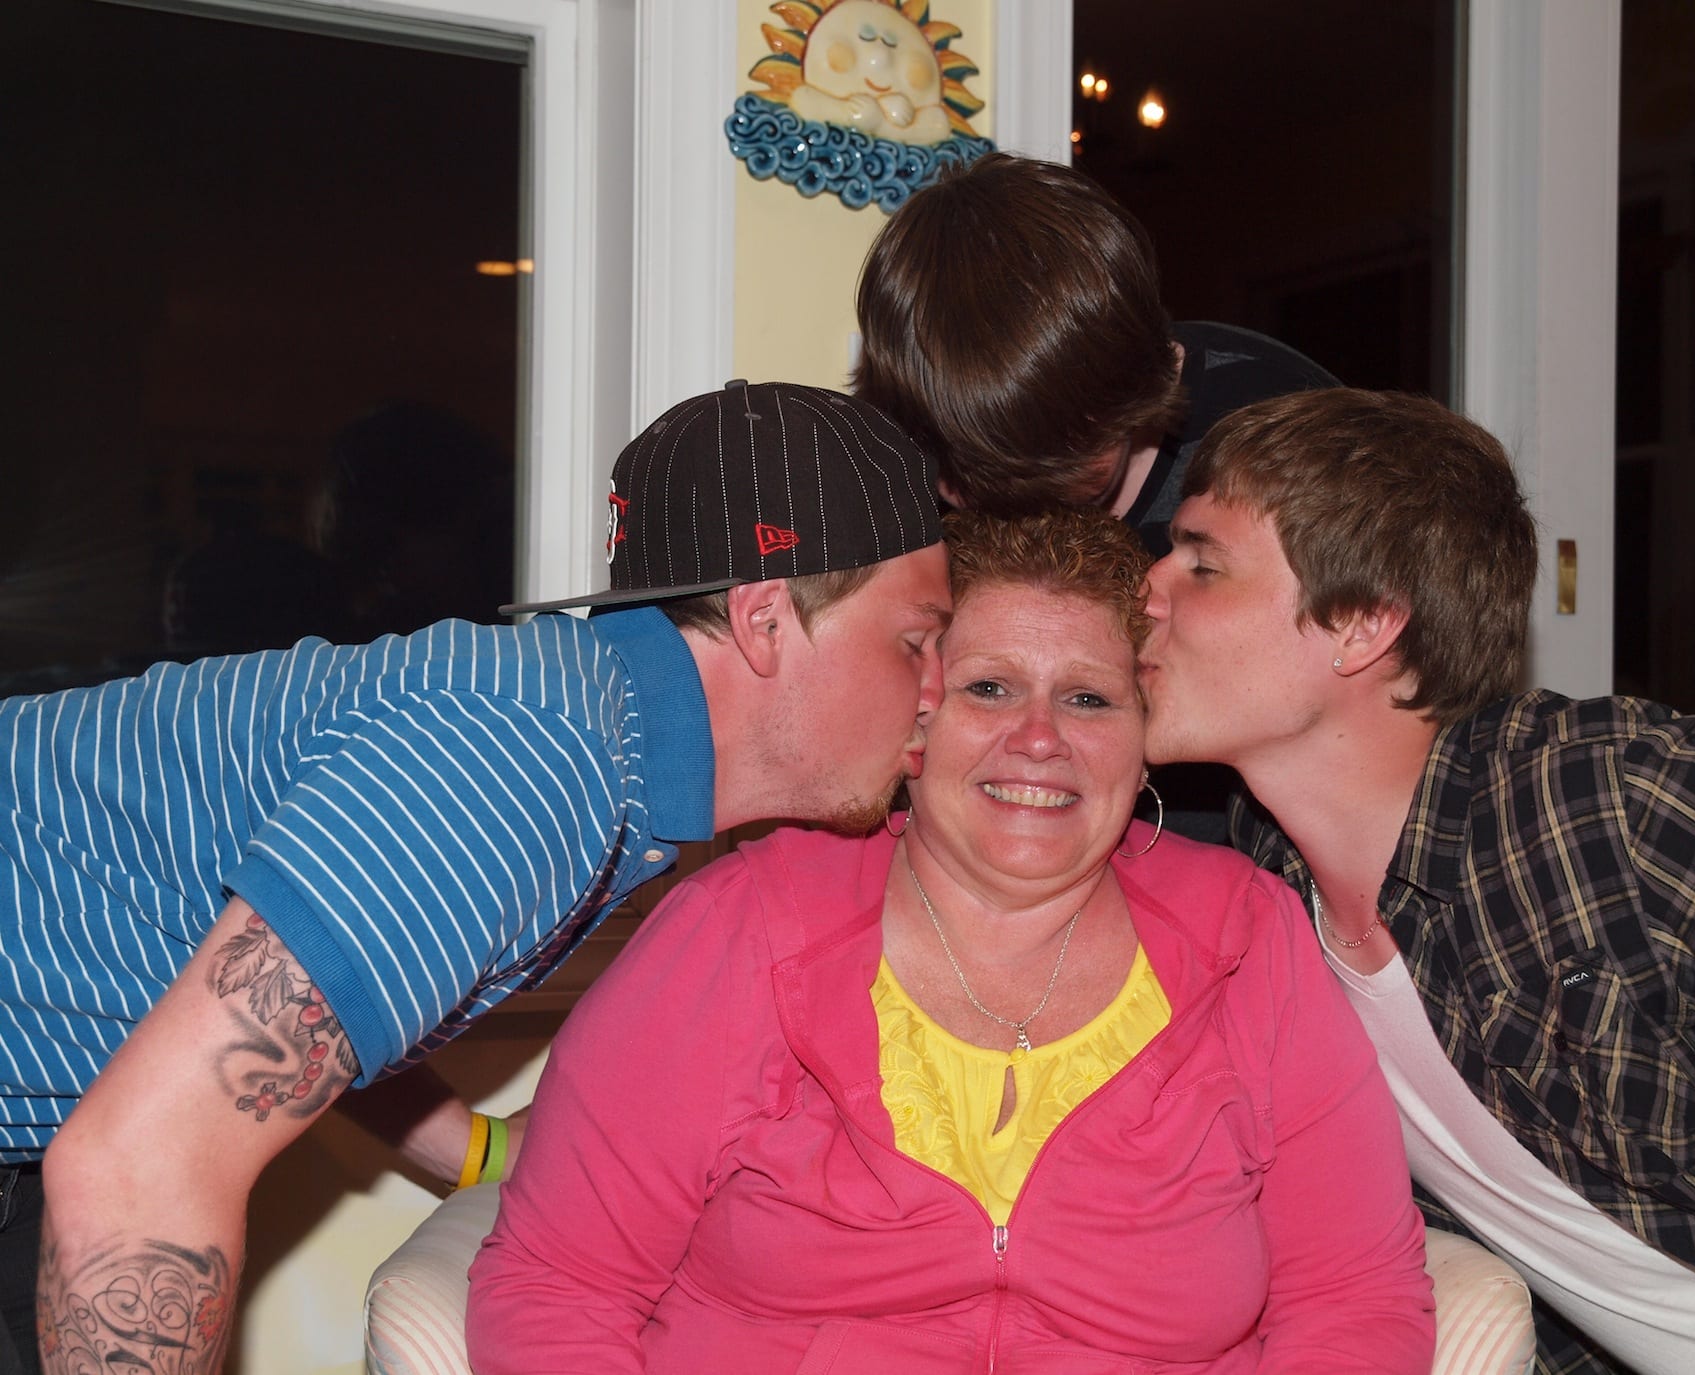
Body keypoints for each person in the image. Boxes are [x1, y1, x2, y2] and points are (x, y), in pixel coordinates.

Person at [0, 381, 951, 1375]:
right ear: (763, 618)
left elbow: (299, 1003)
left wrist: (482, 1152)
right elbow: (136, 1167)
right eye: (915, 640)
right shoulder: (528, 766)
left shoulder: (581, 739)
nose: (936, 691)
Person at [467, 508, 1433, 1373]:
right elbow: (556, 1288)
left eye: (1089, 699)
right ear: (916, 713)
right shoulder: (741, 926)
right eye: (990, 688)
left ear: (1144, 732)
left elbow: (1355, 1301)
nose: (1040, 738)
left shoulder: (1249, 936)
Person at [1138, 386, 1695, 1375]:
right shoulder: (1264, 899)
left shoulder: (1607, 802)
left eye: (1202, 564)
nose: (1148, 588)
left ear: (1362, 624)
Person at [853, 149, 1337, 845]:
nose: (975, 499)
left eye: (1044, 466)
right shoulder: (902, 473)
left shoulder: (1274, 430)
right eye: (960, 471)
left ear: (1129, 400)